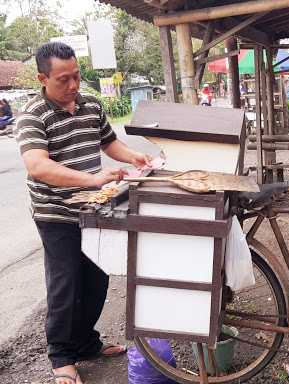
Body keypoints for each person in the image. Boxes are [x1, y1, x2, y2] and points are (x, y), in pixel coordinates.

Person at [15, 42, 153, 384]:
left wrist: (132, 156)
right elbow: (37, 166)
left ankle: (87, 343)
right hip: (55, 212)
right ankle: (61, 356)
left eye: (76, 75)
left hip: (93, 208)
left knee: (96, 278)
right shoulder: (34, 113)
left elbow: (108, 141)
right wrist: (92, 179)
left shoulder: (90, 103)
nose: (74, 85)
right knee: (65, 283)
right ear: (42, 78)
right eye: (64, 79)